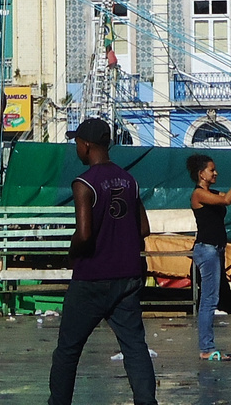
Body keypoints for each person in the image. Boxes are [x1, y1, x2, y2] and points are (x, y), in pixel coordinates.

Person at [48, 118, 156, 405]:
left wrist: (72, 254)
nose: (76, 149)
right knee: (134, 347)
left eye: (76, 144)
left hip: (92, 277)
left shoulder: (84, 183)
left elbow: (84, 234)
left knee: (68, 351)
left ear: (85, 146)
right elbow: (144, 228)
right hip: (128, 275)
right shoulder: (129, 180)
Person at [188, 154, 231, 361]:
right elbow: (228, 199)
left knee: (212, 298)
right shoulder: (198, 195)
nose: (215, 173)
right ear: (201, 174)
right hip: (207, 250)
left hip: (217, 249)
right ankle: (206, 348)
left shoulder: (213, 194)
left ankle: (207, 346)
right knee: (209, 300)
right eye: (212, 170)